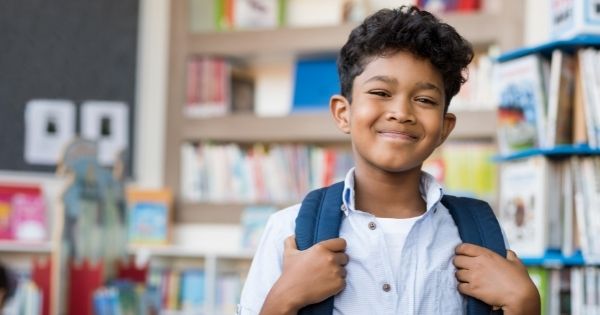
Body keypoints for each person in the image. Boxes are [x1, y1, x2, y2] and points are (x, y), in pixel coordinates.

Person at [238, 5, 540, 315]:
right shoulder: (288, 231)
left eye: (424, 99)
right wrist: (285, 298)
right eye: (381, 92)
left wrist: (525, 304)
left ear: (444, 128)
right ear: (343, 113)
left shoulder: (478, 234)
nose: (402, 113)